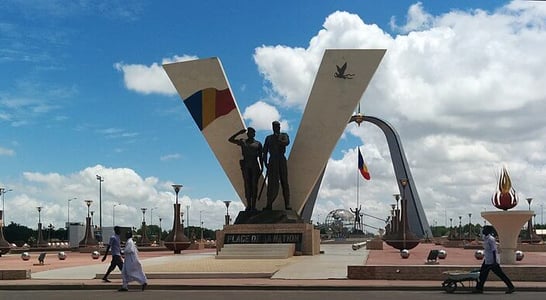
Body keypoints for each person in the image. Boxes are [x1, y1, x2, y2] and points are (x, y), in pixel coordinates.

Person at [473, 225, 515, 294]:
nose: (483, 230)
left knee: (501, 274)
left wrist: (495, 262)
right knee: (482, 274)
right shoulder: (485, 238)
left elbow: (494, 251)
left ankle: (511, 287)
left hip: (493, 261)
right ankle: (479, 288)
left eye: (484, 229)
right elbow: (479, 236)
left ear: (488, 231)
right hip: (487, 260)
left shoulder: (491, 239)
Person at [228, 127, 263, 211]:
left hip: (255, 165)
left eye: (252, 132)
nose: (251, 134)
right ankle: (249, 205)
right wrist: (239, 132)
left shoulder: (258, 144)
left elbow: (261, 157)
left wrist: (262, 167)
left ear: (254, 134)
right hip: (246, 165)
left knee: (254, 186)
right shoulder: (243, 141)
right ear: (247, 134)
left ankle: (253, 206)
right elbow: (230, 139)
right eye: (249, 132)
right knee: (247, 185)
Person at [262, 121, 291, 210]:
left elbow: (286, 142)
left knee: (284, 182)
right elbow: (265, 151)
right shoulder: (268, 138)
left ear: (280, 127)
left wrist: (277, 137)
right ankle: (269, 204)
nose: (276, 128)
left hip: (281, 159)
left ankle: (287, 204)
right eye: (274, 126)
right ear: (272, 127)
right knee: (271, 184)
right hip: (272, 160)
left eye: (278, 126)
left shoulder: (283, 135)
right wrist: (265, 163)